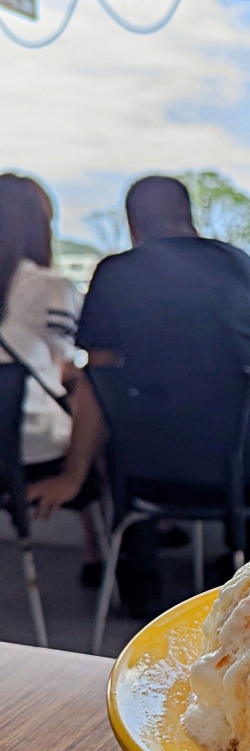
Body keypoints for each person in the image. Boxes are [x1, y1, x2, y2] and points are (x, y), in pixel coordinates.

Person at [28, 175, 250, 612]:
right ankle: (239, 565)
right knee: (220, 428)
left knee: (126, 435)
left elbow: (98, 380)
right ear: (189, 216)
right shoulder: (240, 264)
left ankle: (140, 579)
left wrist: (73, 475)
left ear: (133, 224)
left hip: (161, 470)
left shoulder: (118, 271)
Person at [0, 173, 101, 578]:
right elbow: (65, 368)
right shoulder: (52, 287)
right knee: (90, 407)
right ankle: (102, 554)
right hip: (27, 453)